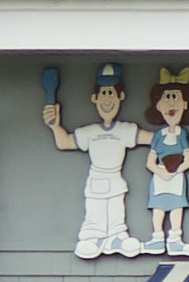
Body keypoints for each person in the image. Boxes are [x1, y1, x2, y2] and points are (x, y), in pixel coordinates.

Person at [44, 61, 144, 260]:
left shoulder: (125, 130)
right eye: (104, 93)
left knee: (116, 213)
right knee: (95, 214)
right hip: (95, 182)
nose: (108, 100)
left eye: (112, 93)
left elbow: (151, 138)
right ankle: (93, 238)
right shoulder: (90, 132)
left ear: (120, 97)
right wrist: (55, 126)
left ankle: (117, 237)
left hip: (116, 181)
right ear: (95, 98)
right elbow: (64, 142)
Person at [139, 68, 189, 256]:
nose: (171, 103)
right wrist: (162, 173)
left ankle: (175, 239)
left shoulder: (183, 134)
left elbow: (188, 161)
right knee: (158, 207)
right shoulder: (158, 136)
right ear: (158, 106)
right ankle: (158, 238)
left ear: (185, 105)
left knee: (176, 206)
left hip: (177, 177)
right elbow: (150, 162)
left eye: (176, 98)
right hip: (160, 176)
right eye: (167, 98)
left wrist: (175, 171)